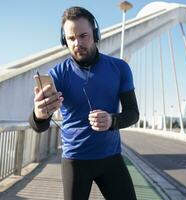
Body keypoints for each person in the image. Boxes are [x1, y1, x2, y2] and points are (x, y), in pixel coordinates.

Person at [29, 6, 139, 200]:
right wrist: (39, 114)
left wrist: (112, 120)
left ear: (95, 34)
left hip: (110, 158)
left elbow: (133, 113)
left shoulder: (120, 68)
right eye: (71, 38)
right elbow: (39, 126)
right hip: (75, 161)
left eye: (83, 35)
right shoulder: (58, 74)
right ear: (64, 40)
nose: (77, 43)